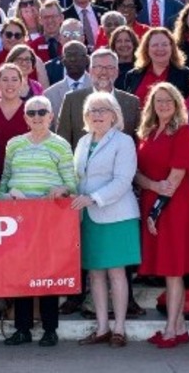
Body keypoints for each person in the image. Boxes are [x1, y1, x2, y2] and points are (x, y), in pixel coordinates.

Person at [0, 95, 77, 347]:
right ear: (25, 118)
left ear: (51, 116)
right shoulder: (14, 145)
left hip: (49, 219)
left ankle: (50, 329)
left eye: (42, 112)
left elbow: (72, 185)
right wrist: (8, 195)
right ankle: (22, 329)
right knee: (22, 273)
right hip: (18, 218)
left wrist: (60, 190)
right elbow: (3, 183)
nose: (37, 117)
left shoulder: (61, 145)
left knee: (48, 274)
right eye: (31, 113)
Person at [133, 83, 189, 349]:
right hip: (153, 201)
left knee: (174, 271)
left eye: (168, 101)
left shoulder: (184, 132)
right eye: (158, 101)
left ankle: (170, 331)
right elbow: (137, 174)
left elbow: (174, 180)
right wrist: (152, 186)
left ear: (177, 104)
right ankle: (180, 326)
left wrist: (155, 212)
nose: (163, 105)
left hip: (174, 209)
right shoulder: (148, 133)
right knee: (168, 272)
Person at [70, 91, 140, 348]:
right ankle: (102, 328)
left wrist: (94, 198)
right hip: (88, 217)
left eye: (102, 110)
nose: (97, 115)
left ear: (114, 115)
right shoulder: (83, 142)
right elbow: (77, 179)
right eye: (92, 111)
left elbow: (123, 180)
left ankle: (119, 329)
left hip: (116, 215)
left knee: (116, 273)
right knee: (95, 274)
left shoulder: (124, 142)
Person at [120, 27, 189, 105]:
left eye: (164, 44)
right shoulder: (132, 75)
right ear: (146, 49)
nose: (160, 49)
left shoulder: (185, 75)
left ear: (172, 48)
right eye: (155, 45)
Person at [0, 62, 30, 176]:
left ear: (21, 83)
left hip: (22, 175)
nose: (10, 84)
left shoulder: (31, 111)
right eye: (5, 79)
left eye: (14, 79)